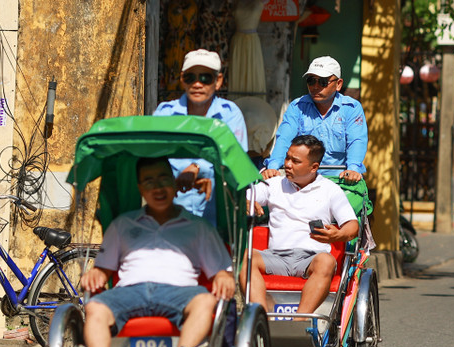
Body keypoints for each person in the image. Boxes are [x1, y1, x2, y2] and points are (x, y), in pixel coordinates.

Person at [73, 157, 235, 347]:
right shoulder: (122, 224)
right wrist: (95, 275)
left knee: (205, 301)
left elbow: (220, 273)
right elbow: (103, 270)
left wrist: (224, 276)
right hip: (130, 291)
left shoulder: (198, 227)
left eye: (163, 179)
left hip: (180, 292)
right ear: (140, 188)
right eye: (148, 181)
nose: (157, 187)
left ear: (174, 182)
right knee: (94, 306)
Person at [245, 135, 359, 315]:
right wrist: (246, 202)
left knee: (326, 261)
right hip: (275, 256)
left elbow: (352, 225)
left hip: (311, 259)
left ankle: (299, 321)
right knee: (244, 258)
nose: (288, 164)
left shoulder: (330, 190)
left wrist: (337, 235)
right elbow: (246, 197)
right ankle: (263, 319)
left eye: (295, 161)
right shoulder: (274, 184)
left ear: (314, 167)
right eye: (287, 158)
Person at [154, 49, 248, 224]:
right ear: (182, 79)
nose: (197, 84)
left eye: (205, 78)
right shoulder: (164, 114)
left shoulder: (230, 114)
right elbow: (153, 157)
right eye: (191, 78)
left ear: (218, 81)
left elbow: (236, 159)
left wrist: (197, 168)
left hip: (217, 212)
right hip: (169, 209)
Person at [261, 56, 367, 184]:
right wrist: (272, 167)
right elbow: (284, 138)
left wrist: (353, 169)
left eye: (322, 82)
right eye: (311, 81)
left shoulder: (351, 108)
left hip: (339, 182)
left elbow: (356, 141)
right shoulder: (297, 107)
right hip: (303, 182)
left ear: (338, 84)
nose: (315, 86)